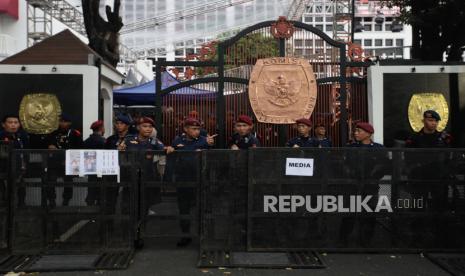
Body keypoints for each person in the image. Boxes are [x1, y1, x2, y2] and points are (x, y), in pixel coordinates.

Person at [165, 117, 216, 247]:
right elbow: (172, 156)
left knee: (202, 208)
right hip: (183, 180)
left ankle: (203, 236)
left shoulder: (204, 141)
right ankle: (185, 235)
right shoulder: (178, 140)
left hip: (201, 179)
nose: (196, 131)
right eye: (193, 129)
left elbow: (213, 156)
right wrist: (170, 148)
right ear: (185, 129)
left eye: (198, 129)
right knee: (184, 209)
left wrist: (209, 146)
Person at [405, 110, 451, 246]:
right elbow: (408, 157)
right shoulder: (414, 138)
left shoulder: (444, 137)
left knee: (439, 207)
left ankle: (440, 238)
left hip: (438, 177)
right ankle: (417, 238)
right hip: (420, 177)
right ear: (424, 121)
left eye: (435, 121)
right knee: (418, 206)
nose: (433, 123)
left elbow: (451, 156)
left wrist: (446, 172)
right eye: (430, 121)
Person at [340, 122, 385, 247]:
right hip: (353, 186)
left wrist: (373, 176)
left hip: (370, 186)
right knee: (349, 213)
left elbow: (384, 166)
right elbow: (344, 165)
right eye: (355, 131)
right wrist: (349, 174)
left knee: (369, 214)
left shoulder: (378, 149)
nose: (355, 133)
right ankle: (343, 241)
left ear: (369, 134)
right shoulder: (351, 148)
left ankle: (366, 241)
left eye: (359, 131)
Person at [120, 117, 165, 223]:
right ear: (138, 127)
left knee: (144, 207)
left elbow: (163, 148)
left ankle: (141, 231)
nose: (148, 129)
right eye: (145, 126)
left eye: (150, 127)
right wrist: (120, 149)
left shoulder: (154, 141)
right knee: (129, 205)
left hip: (146, 177)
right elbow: (120, 152)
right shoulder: (129, 139)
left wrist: (168, 149)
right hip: (130, 178)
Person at [47, 114, 83, 206]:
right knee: (51, 181)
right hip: (55, 162)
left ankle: (66, 201)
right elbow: (49, 144)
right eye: (60, 121)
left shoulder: (75, 134)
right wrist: (50, 146)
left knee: (68, 182)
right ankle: (52, 200)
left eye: (64, 121)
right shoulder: (54, 133)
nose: (62, 123)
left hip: (69, 163)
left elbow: (80, 148)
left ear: (69, 123)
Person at [0, 115, 29, 206]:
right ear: (4, 124)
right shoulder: (1, 136)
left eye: (16, 123)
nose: (13, 125)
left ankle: (21, 205)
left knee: (21, 186)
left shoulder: (22, 136)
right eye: (10, 122)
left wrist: (24, 164)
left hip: (18, 168)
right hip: (2, 168)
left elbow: (26, 152)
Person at [83, 120, 106, 206]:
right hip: (101, 170)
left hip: (90, 169)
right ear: (101, 128)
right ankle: (99, 211)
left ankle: (90, 211)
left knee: (91, 190)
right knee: (101, 191)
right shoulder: (103, 141)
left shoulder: (86, 141)